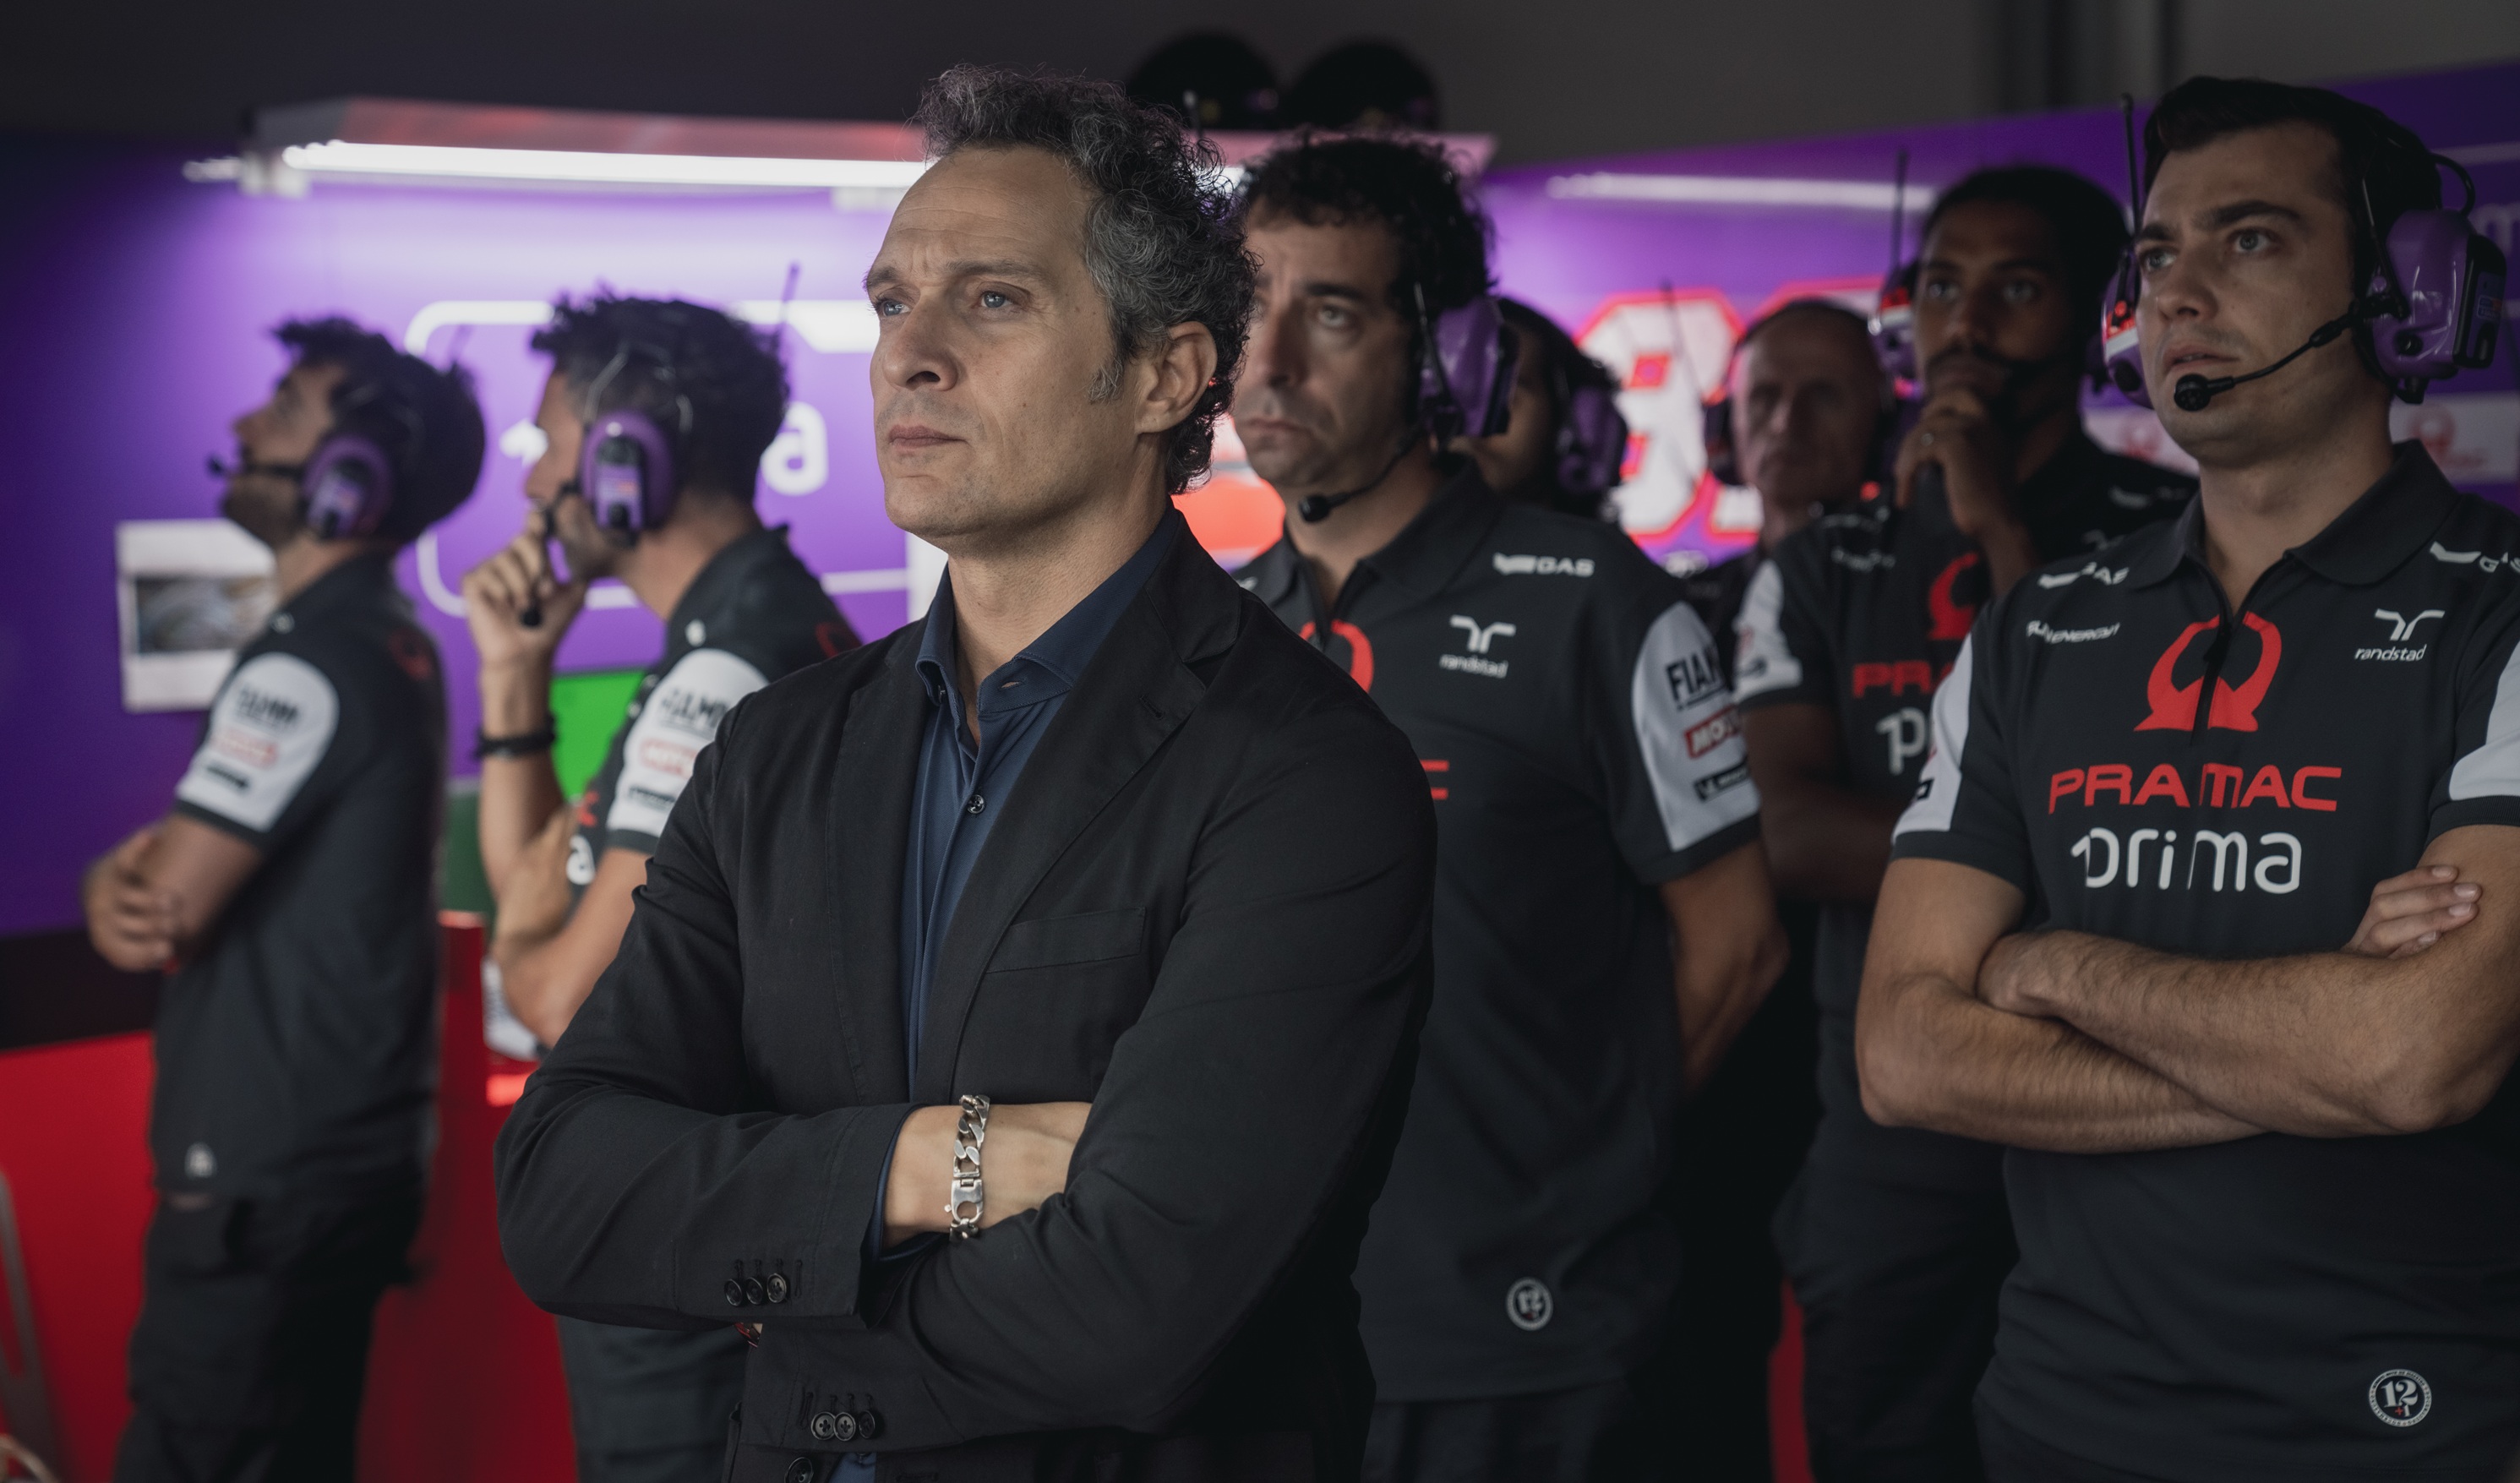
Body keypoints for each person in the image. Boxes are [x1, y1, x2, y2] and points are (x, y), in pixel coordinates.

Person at [494, 67, 1437, 1482]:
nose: (909, 356)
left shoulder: (1305, 771)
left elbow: (1140, 1310)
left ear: (1166, 375)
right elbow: (562, 1194)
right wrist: (931, 1163)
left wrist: (801, 1335)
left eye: (992, 300)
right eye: (891, 304)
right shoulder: (776, 748)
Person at [1864, 76, 2520, 1482]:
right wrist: (2313, 1038)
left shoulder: (2501, 610)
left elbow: (2414, 1057)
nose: (2176, 291)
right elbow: (1902, 1053)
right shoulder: (2032, 630)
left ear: (2407, 291)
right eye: (2157, 252)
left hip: (2408, 1433)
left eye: (2251, 239)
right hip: (2056, 1419)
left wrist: (2048, 965)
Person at [1230, 134, 1786, 1481]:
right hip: (1262, 1337)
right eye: (1248, 306)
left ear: (1444, 358)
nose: (1269, 361)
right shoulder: (1213, 626)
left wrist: (1570, 1172)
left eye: (1330, 313)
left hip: (1529, 1350)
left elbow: (1737, 945)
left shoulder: (1596, 599)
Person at [1732, 167, 2195, 1481]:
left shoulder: (2176, 535)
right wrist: (2023, 850)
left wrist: (1997, 527)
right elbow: (1784, 832)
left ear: (2102, 314)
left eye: (2017, 287)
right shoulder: (1822, 562)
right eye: (1941, 286)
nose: (1968, 324)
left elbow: (2130, 816)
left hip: (2120, 1106)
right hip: (1890, 1131)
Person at [460, 293, 855, 1483]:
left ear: (628, 456)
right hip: (707, 1225)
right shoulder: (727, 630)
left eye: (549, 446)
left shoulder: (721, 667)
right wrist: (513, 680)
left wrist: (524, 952)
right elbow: (540, 881)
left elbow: (563, 998)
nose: (533, 486)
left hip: (687, 1252)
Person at [81, 319, 483, 1481]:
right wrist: (116, 878)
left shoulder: (309, 662)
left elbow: (160, 906)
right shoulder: (379, 643)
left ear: (351, 476)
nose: (244, 427)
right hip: (326, 1172)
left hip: (267, 1185)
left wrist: (110, 880)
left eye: (285, 409)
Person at [1648, 298, 1893, 1481]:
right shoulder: (1662, 616)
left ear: (1885, 423)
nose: (1789, 421)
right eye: (1765, 398)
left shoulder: (1934, 604)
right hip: (1720, 1043)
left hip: (1884, 1039)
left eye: (1825, 394)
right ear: (1723, 431)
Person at [1463, 297, 1624, 521]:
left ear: (1570, 424)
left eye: (1501, 397)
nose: (1466, 424)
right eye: (1448, 396)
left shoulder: (1595, 545)